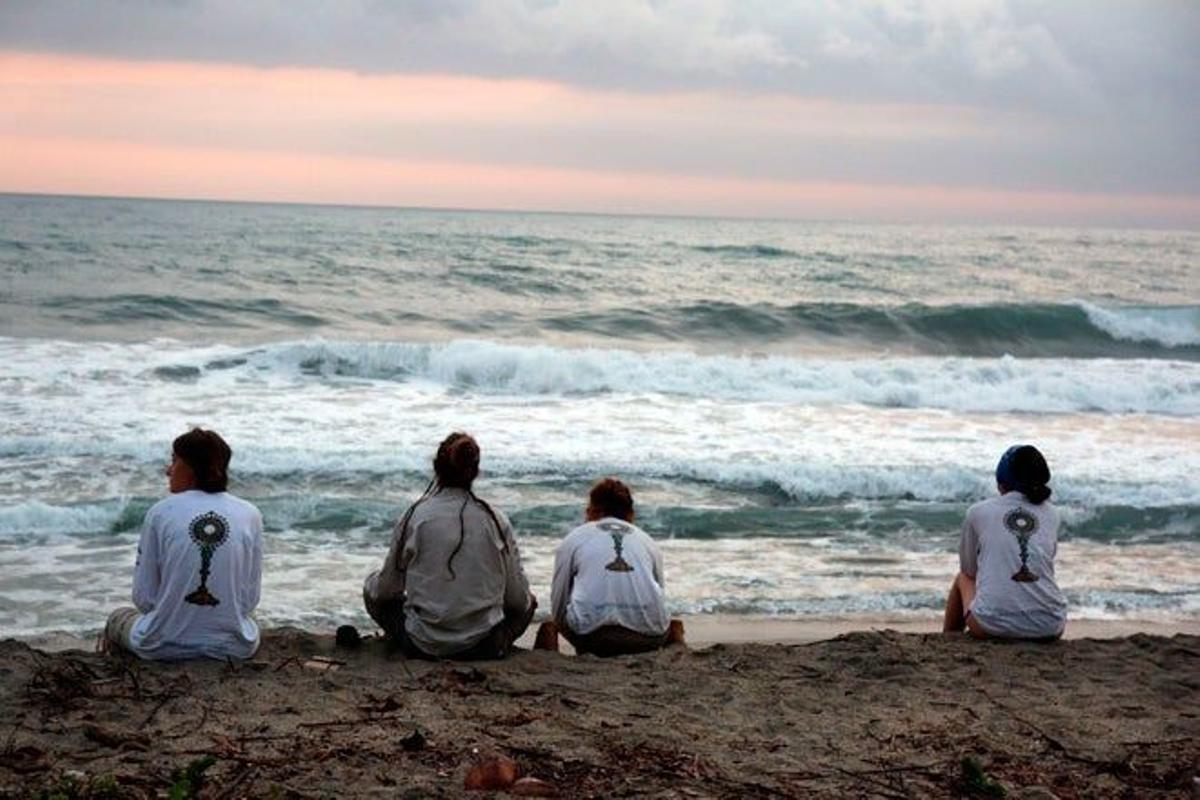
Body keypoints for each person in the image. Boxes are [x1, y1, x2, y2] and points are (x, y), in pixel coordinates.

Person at [363, 432, 535, 659]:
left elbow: (385, 590)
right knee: (529, 604)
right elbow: (517, 599)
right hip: (484, 645)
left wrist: (373, 583)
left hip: (423, 644)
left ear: (436, 468)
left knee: (373, 593)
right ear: (475, 472)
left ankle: (401, 640)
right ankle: (500, 643)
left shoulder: (416, 516)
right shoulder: (494, 519)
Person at [103, 428, 263, 660]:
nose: (168, 470)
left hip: (161, 645)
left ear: (190, 467)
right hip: (234, 648)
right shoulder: (250, 514)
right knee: (251, 619)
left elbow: (144, 599)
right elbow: (248, 600)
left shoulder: (160, 512)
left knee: (118, 618)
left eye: (174, 460)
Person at [534, 477, 684, 656]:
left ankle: (554, 648)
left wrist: (564, 627)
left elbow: (558, 603)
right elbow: (659, 594)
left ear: (593, 509)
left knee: (552, 625)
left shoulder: (576, 537)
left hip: (595, 638)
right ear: (630, 513)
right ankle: (676, 638)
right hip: (648, 637)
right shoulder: (648, 541)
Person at [944, 444, 1067, 640]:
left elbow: (969, 569)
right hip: (1049, 625)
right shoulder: (1052, 514)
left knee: (963, 578)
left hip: (991, 625)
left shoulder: (978, 512)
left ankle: (949, 638)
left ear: (1001, 481)